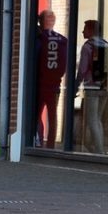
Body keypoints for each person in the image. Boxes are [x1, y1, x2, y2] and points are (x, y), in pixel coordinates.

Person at [76, 19, 108, 154]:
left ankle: (99, 151)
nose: (83, 31)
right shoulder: (106, 45)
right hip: (105, 86)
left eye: (85, 28)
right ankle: (99, 149)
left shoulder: (87, 46)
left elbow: (83, 69)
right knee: (98, 119)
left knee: (92, 120)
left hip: (92, 87)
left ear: (91, 30)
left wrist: (76, 84)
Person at [35, 9, 67, 148]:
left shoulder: (38, 39)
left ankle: (38, 140)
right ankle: (51, 146)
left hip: (39, 84)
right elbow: (64, 64)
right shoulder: (62, 40)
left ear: (41, 22)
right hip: (55, 85)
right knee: (52, 117)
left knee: (35, 115)